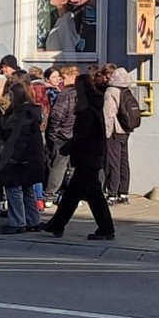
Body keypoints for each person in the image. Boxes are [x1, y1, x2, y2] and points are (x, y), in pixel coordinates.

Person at [39, 74, 116, 240]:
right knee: (77, 195)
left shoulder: (86, 108)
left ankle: (105, 229)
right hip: (91, 156)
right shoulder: (95, 103)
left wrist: (68, 147)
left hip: (86, 156)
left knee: (87, 196)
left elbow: (83, 134)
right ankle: (57, 225)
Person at [0, 83, 46, 234]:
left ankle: (18, 222)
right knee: (27, 188)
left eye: (11, 95)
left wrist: (13, 157)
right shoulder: (31, 111)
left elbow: (20, 139)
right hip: (33, 157)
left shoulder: (22, 114)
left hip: (22, 158)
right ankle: (33, 220)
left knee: (14, 188)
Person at [44, 66, 79, 207]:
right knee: (73, 167)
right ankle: (71, 195)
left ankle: (49, 196)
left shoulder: (66, 94)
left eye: (63, 78)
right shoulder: (83, 93)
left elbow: (57, 115)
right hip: (77, 135)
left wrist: (53, 133)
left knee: (58, 166)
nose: (60, 81)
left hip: (64, 135)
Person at [103, 66, 135, 205]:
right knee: (124, 162)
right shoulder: (127, 89)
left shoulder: (111, 91)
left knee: (113, 163)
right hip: (126, 130)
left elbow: (108, 114)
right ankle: (124, 193)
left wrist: (106, 133)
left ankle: (112, 194)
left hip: (114, 131)